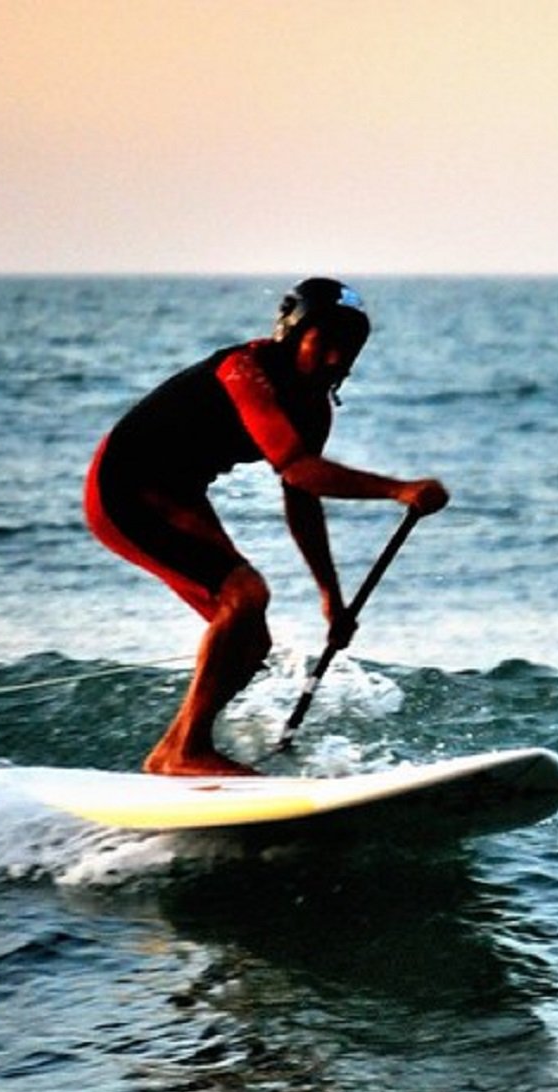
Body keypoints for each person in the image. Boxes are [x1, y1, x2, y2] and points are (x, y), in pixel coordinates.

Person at [84, 278, 448, 776]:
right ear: (292, 333)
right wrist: (398, 489)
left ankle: (172, 754)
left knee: (251, 641)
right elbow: (298, 469)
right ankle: (188, 751)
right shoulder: (244, 372)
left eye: (351, 348)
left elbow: (301, 498)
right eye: (326, 342)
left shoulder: (315, 406)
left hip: (179, 495)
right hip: (123, 490)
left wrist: (331, 599)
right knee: (245, 596)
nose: (338, 359)